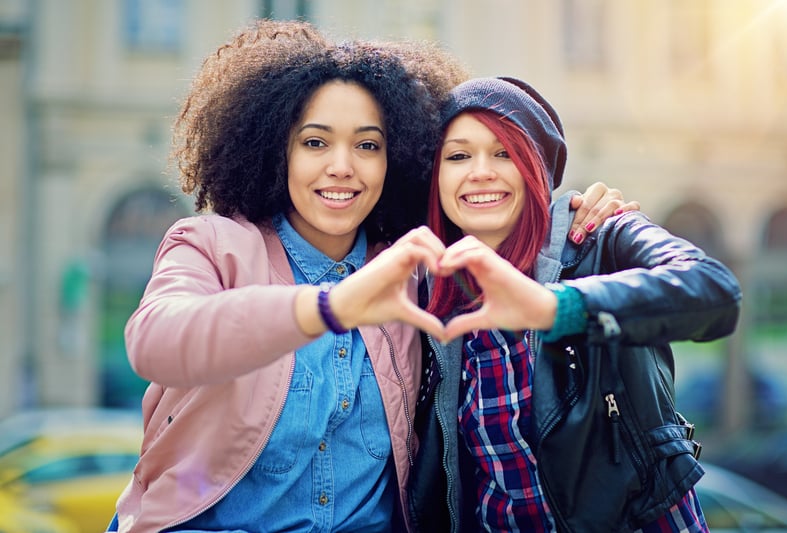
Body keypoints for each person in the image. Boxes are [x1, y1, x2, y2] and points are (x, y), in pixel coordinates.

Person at [107, 20, 634, 533]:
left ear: (397, 159)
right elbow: (155, 341)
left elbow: (496, 212)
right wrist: (329, 306)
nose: (342, 166)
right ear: (276, 151)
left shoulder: (417, 273)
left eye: (367, 145)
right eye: (315, 143)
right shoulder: (211, 245)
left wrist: (579, 216)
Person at [408, 77, 742, 532]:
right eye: (459, 155)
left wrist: (557, 308)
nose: (481, 171)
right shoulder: (429, 296)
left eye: (505, 152)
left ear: (536, 169)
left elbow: (715, 292)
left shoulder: (600, 240)